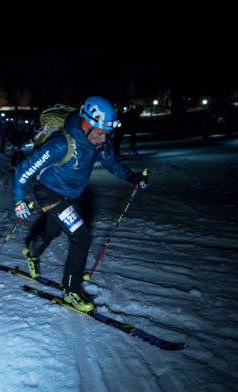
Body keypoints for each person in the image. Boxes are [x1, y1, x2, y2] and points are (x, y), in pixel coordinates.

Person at [12, 96, 148, 312]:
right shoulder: (61, 143)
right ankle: (72, 291)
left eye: (106, 134)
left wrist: (130, 176)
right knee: (81, 236)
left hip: (69, 193)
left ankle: (32, 253)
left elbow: (110, 160)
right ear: (86, 126)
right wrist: (19, 199)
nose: (104, 139)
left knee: (53, 231)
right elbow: (24, 169)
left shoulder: (96, 138)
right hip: (48, 193)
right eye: (100, 134)